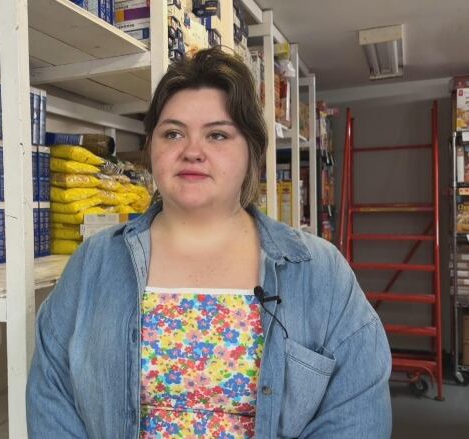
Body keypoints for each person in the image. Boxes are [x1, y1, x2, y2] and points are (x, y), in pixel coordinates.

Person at [26, 46, 392, 438]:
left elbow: (356, 415)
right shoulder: (93, 264)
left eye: (217, 135)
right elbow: (52, 398)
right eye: (173, 133)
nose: (192, 152)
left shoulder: (320, 272)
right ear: (152, 147)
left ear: (252, 152)